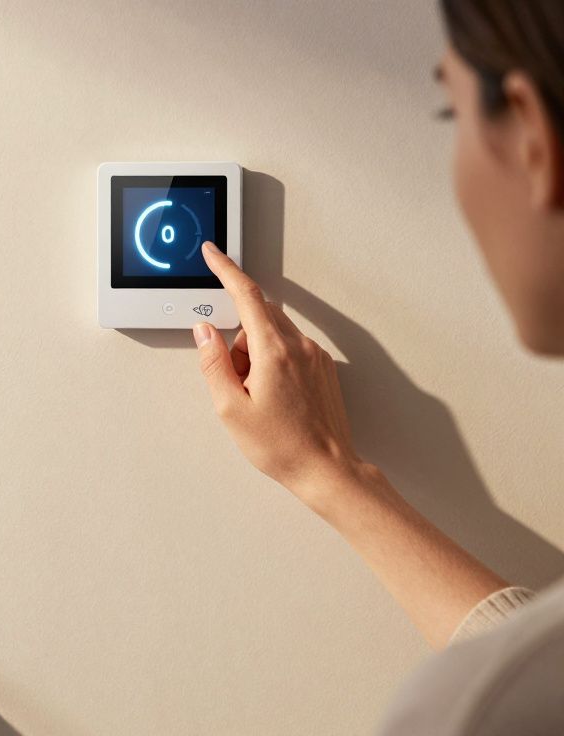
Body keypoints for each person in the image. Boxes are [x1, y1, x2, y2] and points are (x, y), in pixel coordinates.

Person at [190, 1, 564, 733]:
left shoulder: (484, 708)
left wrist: (327, 472)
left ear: (533, 141)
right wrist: (329, 472)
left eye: (451, 114)